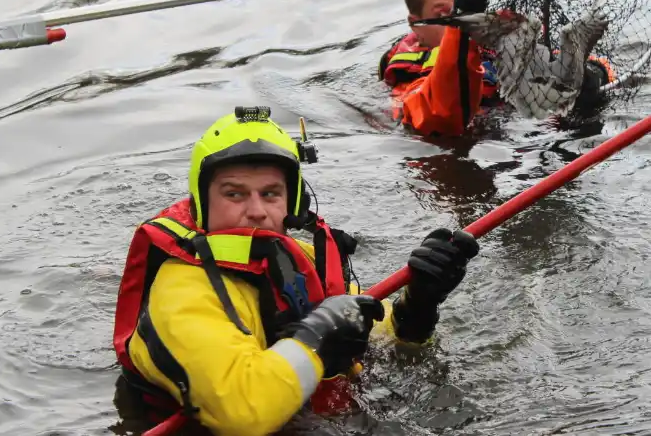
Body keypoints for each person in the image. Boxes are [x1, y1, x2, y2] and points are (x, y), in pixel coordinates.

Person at [112, 105, 479, 436]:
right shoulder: (182, 291)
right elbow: (244, 413)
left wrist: (417, 307)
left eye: (270, 194)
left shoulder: (302, 259)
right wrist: (316, 336)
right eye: (235, 194)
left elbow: (377, 342)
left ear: (294, 202)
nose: (256, 210)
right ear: (203, 203)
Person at [377, 0, 617, 138]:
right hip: (471, 160)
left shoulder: (496, 38)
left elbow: (565, 60)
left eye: (456, 9)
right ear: (415, 24)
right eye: (442, 14)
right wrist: (466, 8)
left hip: (536, 137)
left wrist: (591, 72)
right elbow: (442, 116)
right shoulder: (406, 83)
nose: (453, 20)